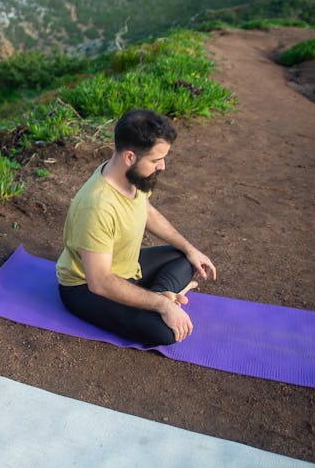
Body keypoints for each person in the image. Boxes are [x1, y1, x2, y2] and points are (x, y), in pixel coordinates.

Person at [56, 109, 217, 346]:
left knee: (185, 258)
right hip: (85, 288)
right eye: (156, 160)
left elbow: (146, 210)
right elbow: (99, 281)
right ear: (130, 157)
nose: (162, 166)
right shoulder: (97, 206)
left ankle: (160, 295)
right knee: (166, 333)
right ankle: (162, 298)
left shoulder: (131, 176)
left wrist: (190, 248)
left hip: (126, 268)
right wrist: (162, 304)